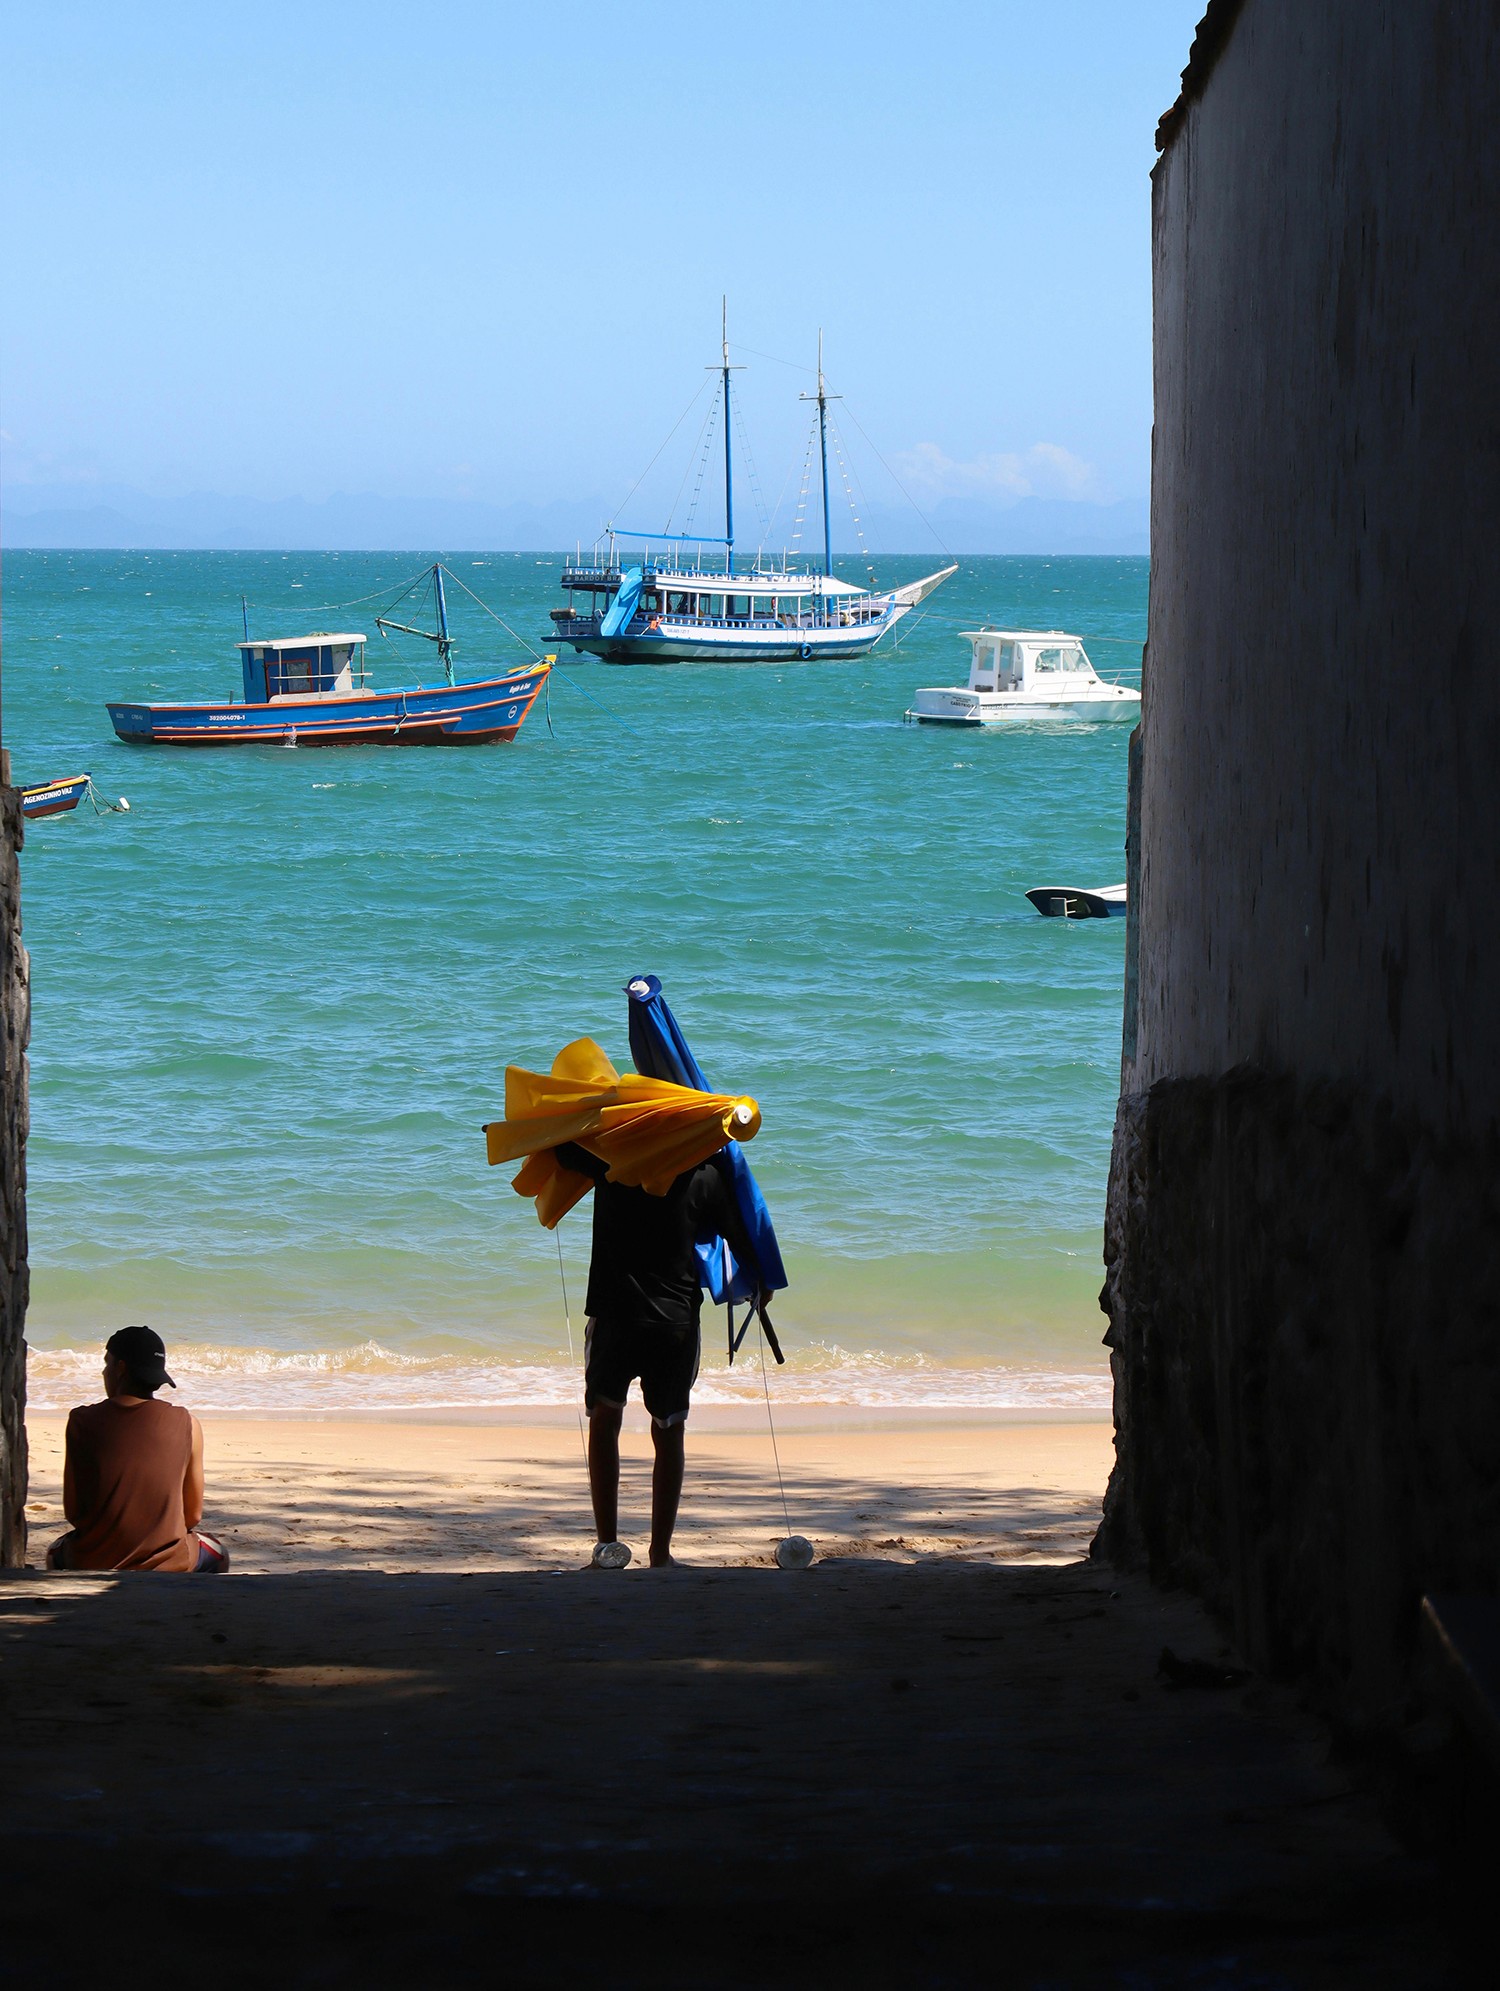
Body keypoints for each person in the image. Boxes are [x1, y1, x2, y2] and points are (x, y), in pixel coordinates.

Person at [552, 1140, 762, 1569]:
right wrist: (765, 1282)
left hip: (615, 1318)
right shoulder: (705, 1174)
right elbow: (742, 1235)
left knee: (605, 1422)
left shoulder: (614, 1158)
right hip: (675, 1324)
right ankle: (660, 1555)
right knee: (669, 1432)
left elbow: (561, 1148)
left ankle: (607, 1550)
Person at [47, 1325, 229, 1573]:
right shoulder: (188, 1424)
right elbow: (193, 1516)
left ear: (120, 1368)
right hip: (170, 1563)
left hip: (93, 1560)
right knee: (219, 1553)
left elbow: (74, 1512)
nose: (103, 1371)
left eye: (106, 1363)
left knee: (54, 1552)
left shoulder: (81, 1421)